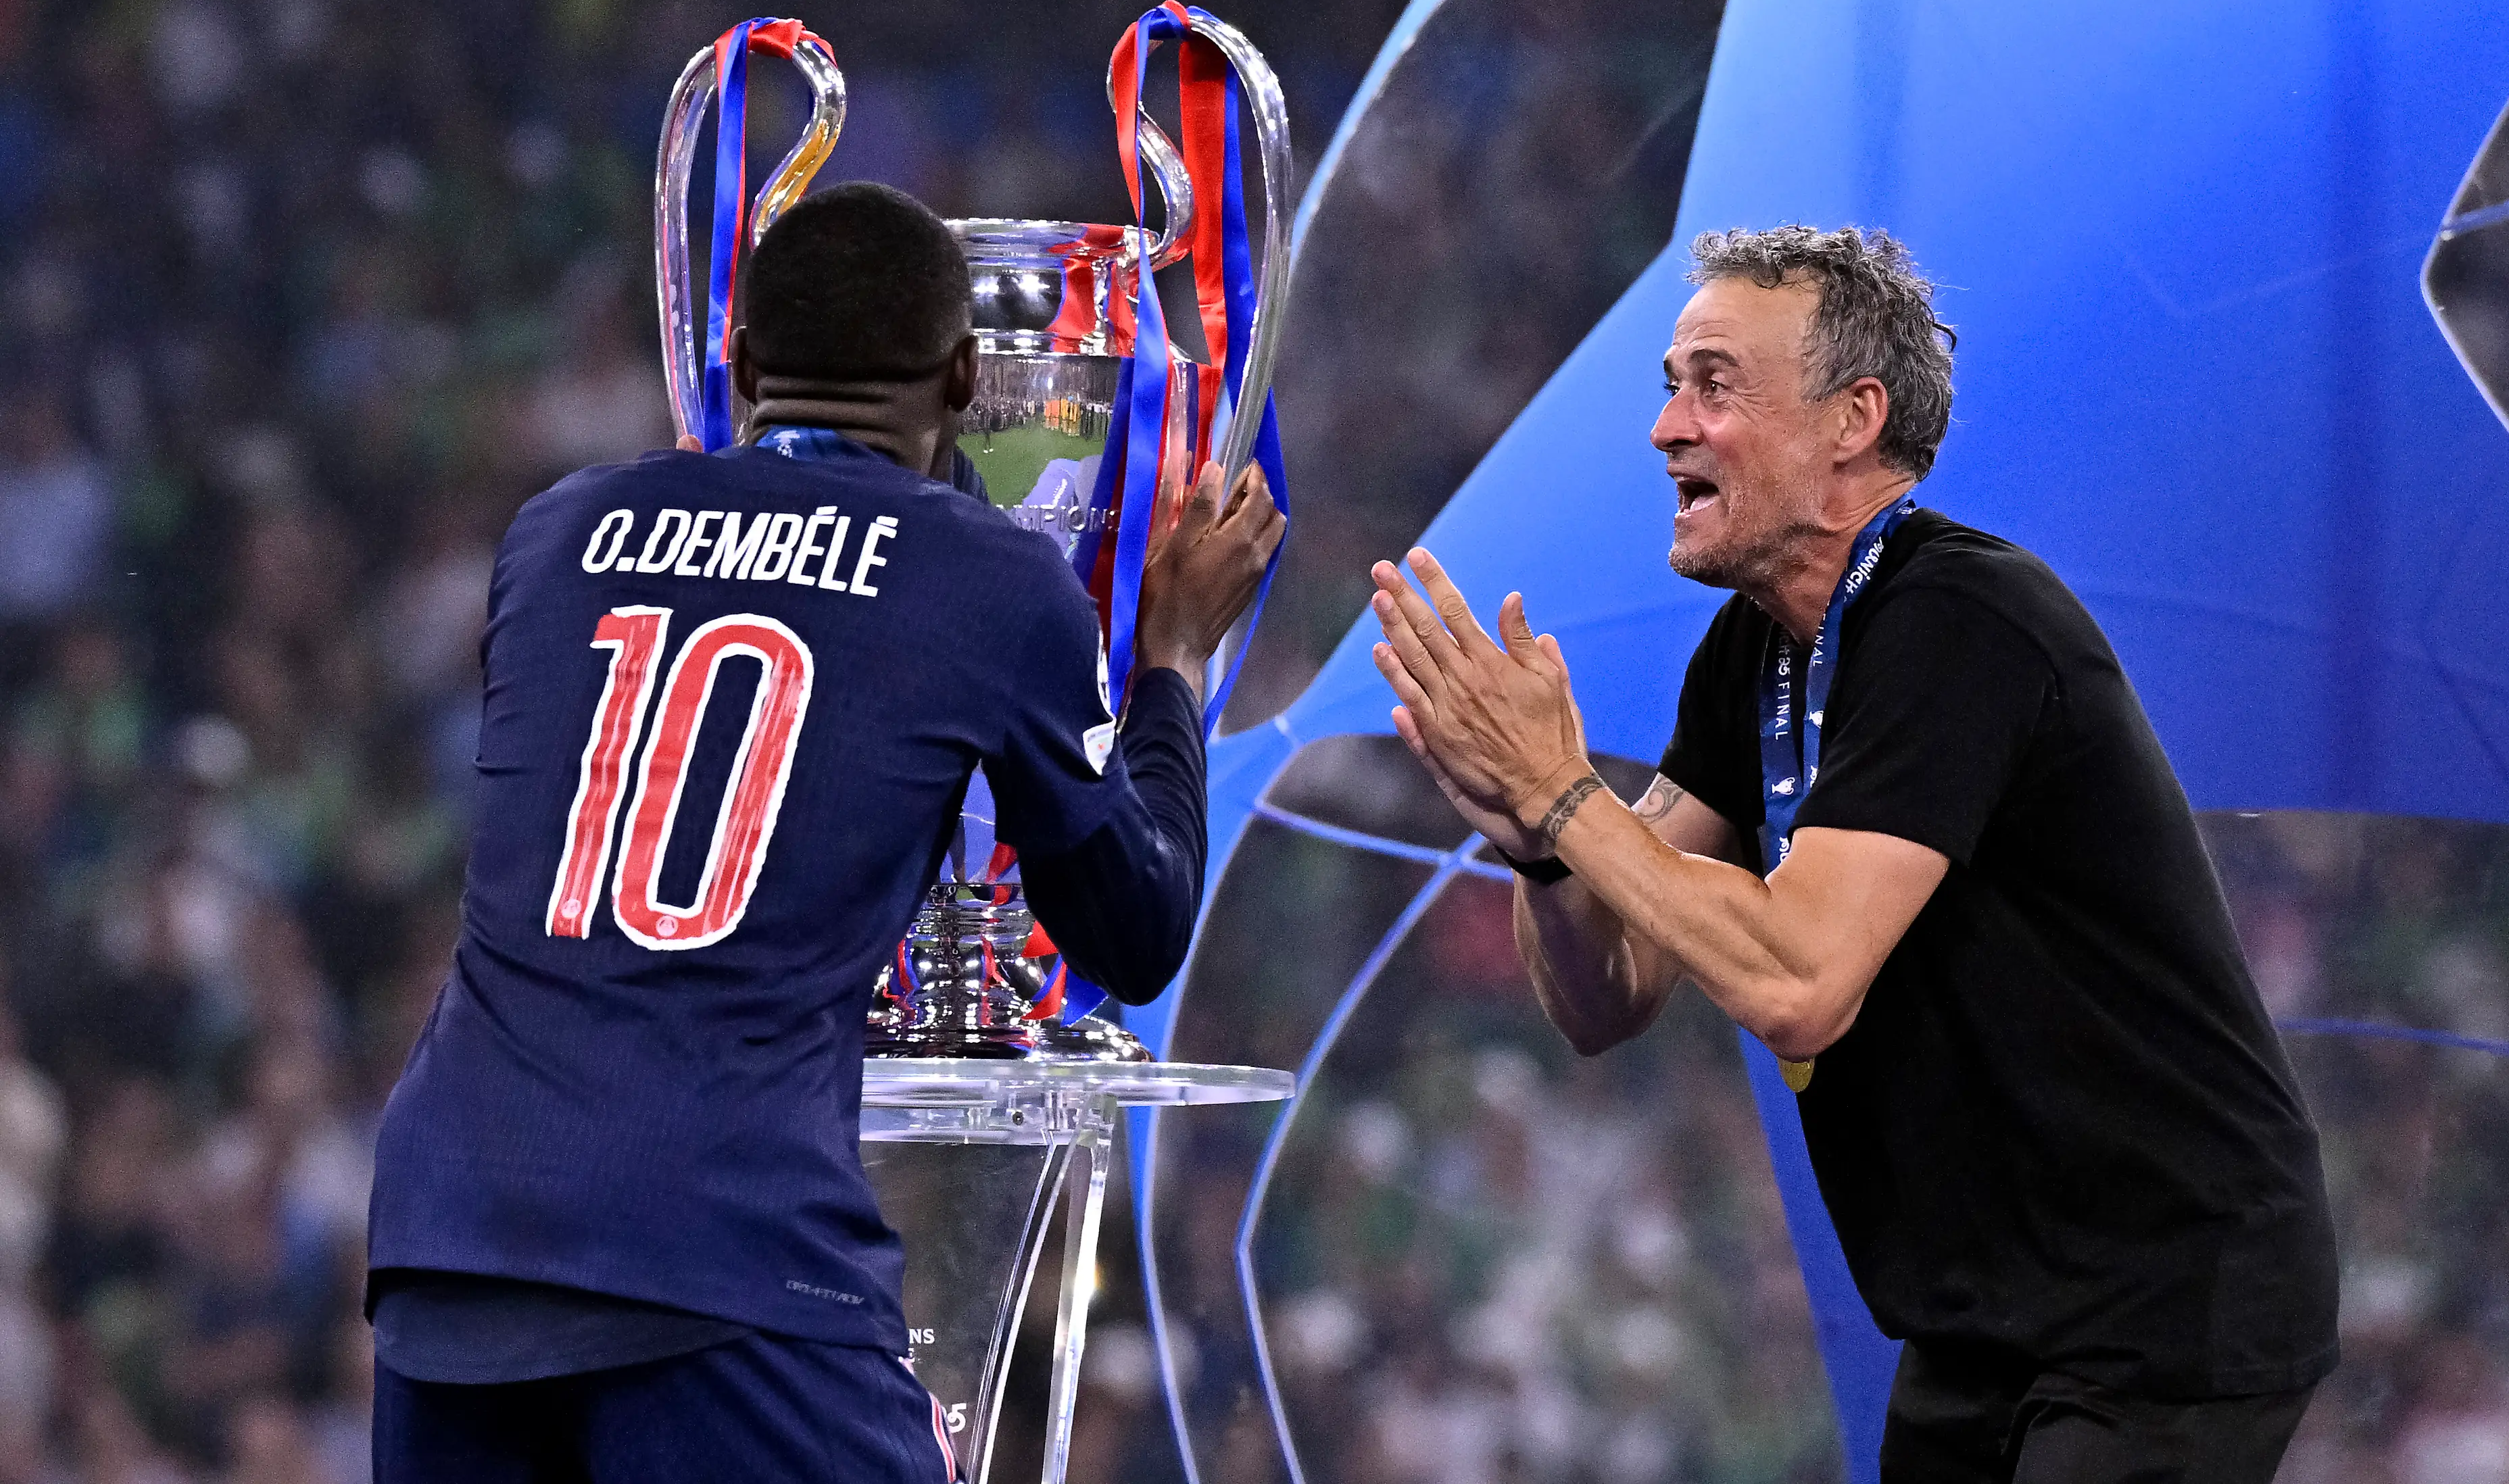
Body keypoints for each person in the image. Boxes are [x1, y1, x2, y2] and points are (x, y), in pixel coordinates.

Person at [1367, 226, 2336, 1483]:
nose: (1667, 427)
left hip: (2164, 1297)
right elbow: (1609, 995)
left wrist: (1565, 797)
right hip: (1977, 1317)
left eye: (1713, 385)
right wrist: (1543, 854)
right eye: (1671, 384)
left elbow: (1800, 986)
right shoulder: (1752, 655)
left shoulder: (1961, 619)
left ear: (1851, 419)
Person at [366, 182, 1282, 1480]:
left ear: (735, 360)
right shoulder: (990, 577)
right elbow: (1137, 928)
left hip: (450, 1230)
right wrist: (1172, 665)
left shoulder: (555, 531)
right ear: (966, 378)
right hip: (722, 1238)